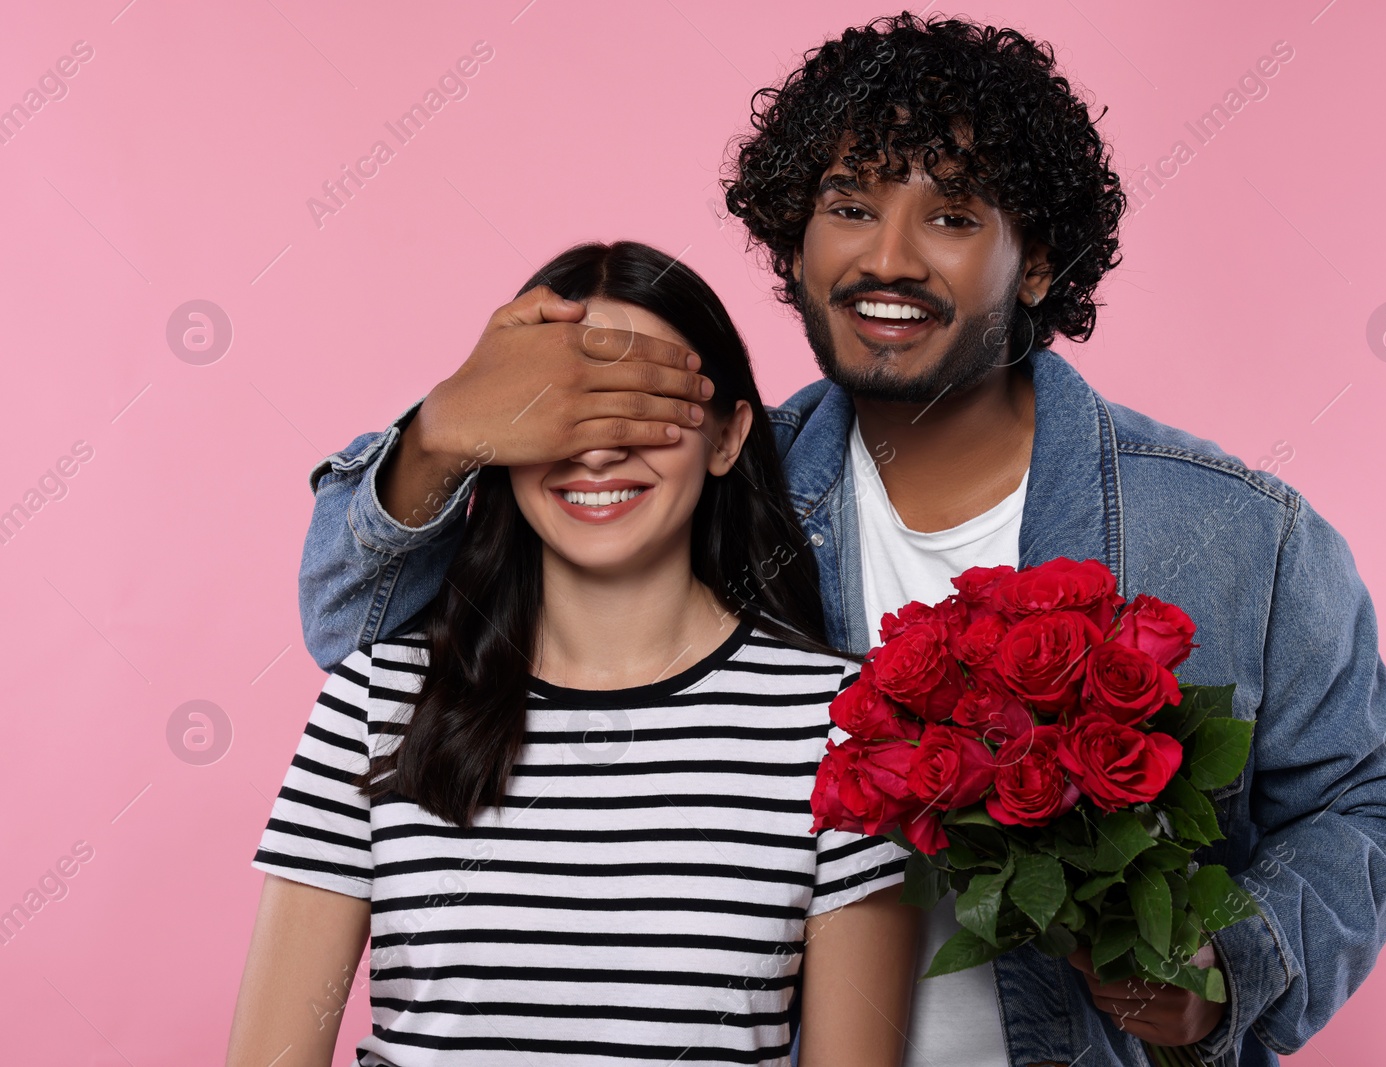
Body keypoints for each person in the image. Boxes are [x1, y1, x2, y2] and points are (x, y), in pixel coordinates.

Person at [288, 13, 1386, 1067]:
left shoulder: (1233, 533)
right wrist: (438, 440)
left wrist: (1216, 971)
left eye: (950, 214)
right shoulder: (716, 494)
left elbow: (1374, 806)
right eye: (849, 204)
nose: (887, 258)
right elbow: (380, 646)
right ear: (792, 242)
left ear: (1034, 260)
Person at [227, 241, 919, 1067]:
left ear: (730, 436)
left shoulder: (842, 725)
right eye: (561, 410)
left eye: (641, 407)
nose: (596, 450)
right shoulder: (375, 700)